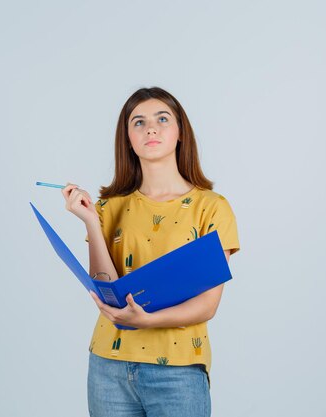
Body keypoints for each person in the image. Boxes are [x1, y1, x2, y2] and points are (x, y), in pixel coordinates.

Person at [61, 87, 240, 417]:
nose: (151, 128)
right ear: (128, 138)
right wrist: (90, 222)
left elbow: (207, 304)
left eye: (162, 119)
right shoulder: (108, 207)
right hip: (108, 367)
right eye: (138, 122)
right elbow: (107, 286)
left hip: (178, 371)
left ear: (180, 132)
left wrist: (148, 320)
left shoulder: (212, 208)